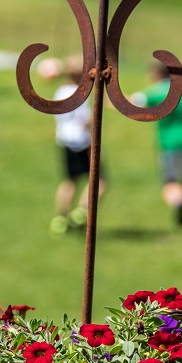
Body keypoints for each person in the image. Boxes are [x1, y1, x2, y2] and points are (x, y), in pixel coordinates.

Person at [134, 59, 182, 240]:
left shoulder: (155, 92)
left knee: (169, 182)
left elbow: (131, 105)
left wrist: (105, 101)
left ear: (157, 74)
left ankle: (180, 201)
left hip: (168, 145)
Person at [48, 56, 105, 237]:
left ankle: (60, 219)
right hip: (81, 141)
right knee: (100, 180)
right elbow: (84, 120)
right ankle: (81, 212)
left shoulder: (60, 90)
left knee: (69, 180)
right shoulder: (79, 92)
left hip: (64, 139)